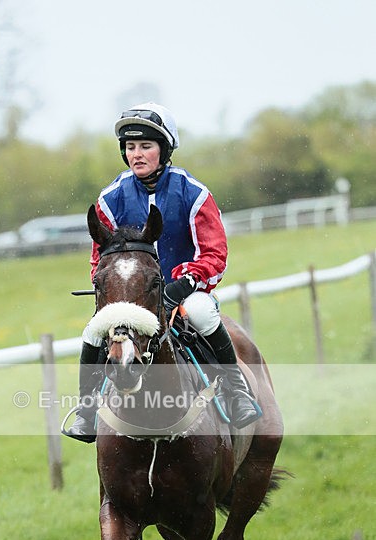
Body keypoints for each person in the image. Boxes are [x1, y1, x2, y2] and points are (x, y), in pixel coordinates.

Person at [65, 102, 260, 442]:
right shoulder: (111, 198)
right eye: (130, 148)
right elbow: (100, 257)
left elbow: (215, 254)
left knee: (201, 313)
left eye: (145, 146)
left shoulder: (194, 193)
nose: (136, 154)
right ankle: (86, 410)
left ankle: (236, 391)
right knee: (93, 331)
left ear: (164, 150)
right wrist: (112, 290)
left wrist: (182, 286)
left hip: (183, 292)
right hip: (132, 296)